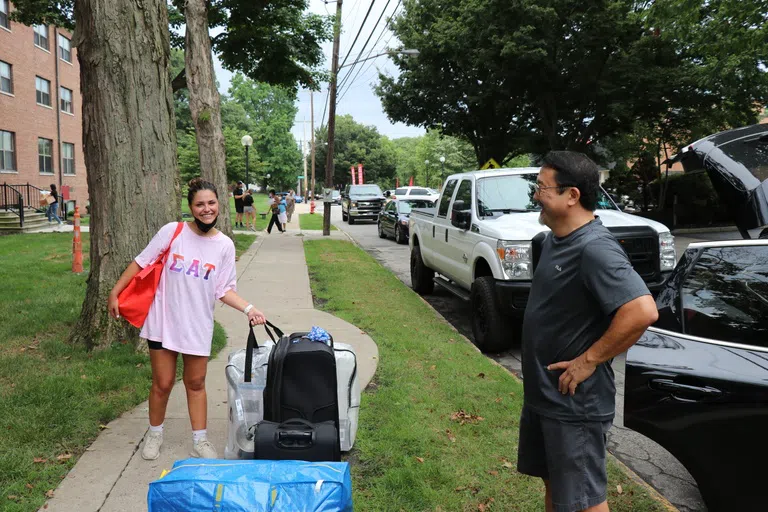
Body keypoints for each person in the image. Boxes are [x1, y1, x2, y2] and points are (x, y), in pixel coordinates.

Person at [517, 151, 658, 512]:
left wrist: (588, 360)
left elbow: (641, 310)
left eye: (542, 187)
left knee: (584, 501)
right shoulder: (550, 241)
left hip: (574, 402)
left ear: (572, 195)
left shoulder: (595, 248)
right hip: (545, 396)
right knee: (557, 486)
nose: (535, 195)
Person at [108, 178, 267, 461]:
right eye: (200, 204)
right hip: (163, 321)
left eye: (211, 203)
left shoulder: (225, 246)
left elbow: (224, 289)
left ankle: (200, 440)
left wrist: (249, 308)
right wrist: (115, 293)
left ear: (219, 204)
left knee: (196, 383)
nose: (207, 209)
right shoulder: (173, 231)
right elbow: (141, 261)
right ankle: (155, 434)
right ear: (191, 208)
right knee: (163, 383)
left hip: (197, 324)